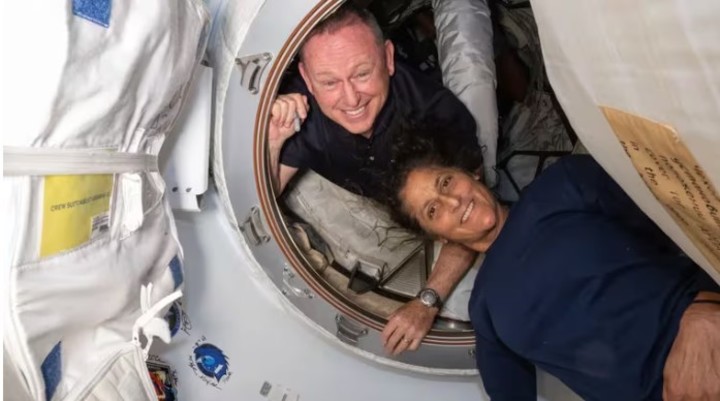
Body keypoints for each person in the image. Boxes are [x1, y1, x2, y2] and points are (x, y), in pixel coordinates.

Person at [387, 150, 720, 400]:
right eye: (433, 210)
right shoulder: (484, 310)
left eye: (445, 182)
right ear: (440, 238)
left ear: (472, 173)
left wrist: (704, 312)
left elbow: (689, 224)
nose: (452, 201)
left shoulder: (563, 184)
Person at [268, 3, 483, 352]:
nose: (351, 98)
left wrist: (427, 301)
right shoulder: (301, 111)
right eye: (329, 82)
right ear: (307, 79)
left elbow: (475, 215)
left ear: (388, 58)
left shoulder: (437, 114)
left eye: (362, 74)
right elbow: (262, 196)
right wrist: (274, 139)